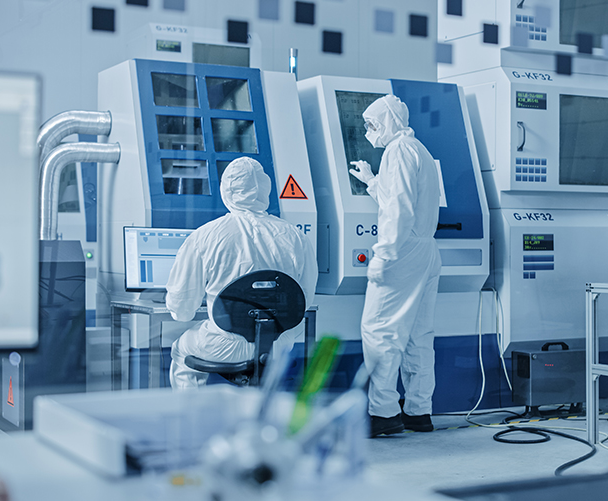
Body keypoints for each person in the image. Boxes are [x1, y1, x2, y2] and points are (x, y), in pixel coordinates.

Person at [167, 156, 318, 389]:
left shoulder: (205, 236)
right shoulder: (296, 236)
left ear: (226, 190)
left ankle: (193, 410)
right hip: (279, 344)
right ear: (265, 188)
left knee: (181, 351)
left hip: (224, 346)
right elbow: (304, 300)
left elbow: (182, 310)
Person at [348, 94, 442, 437]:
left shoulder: (398, 151)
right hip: (426, 250)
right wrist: (372, 181)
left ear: (389, 120)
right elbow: (402, 199)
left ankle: (384, 412)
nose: (370, 130)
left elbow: (399, 210)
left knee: (379, 330)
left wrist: (384, 253)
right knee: (418, 335)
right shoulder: (419, 150)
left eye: (373, 123)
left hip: (402, 251)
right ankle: (419, 411)